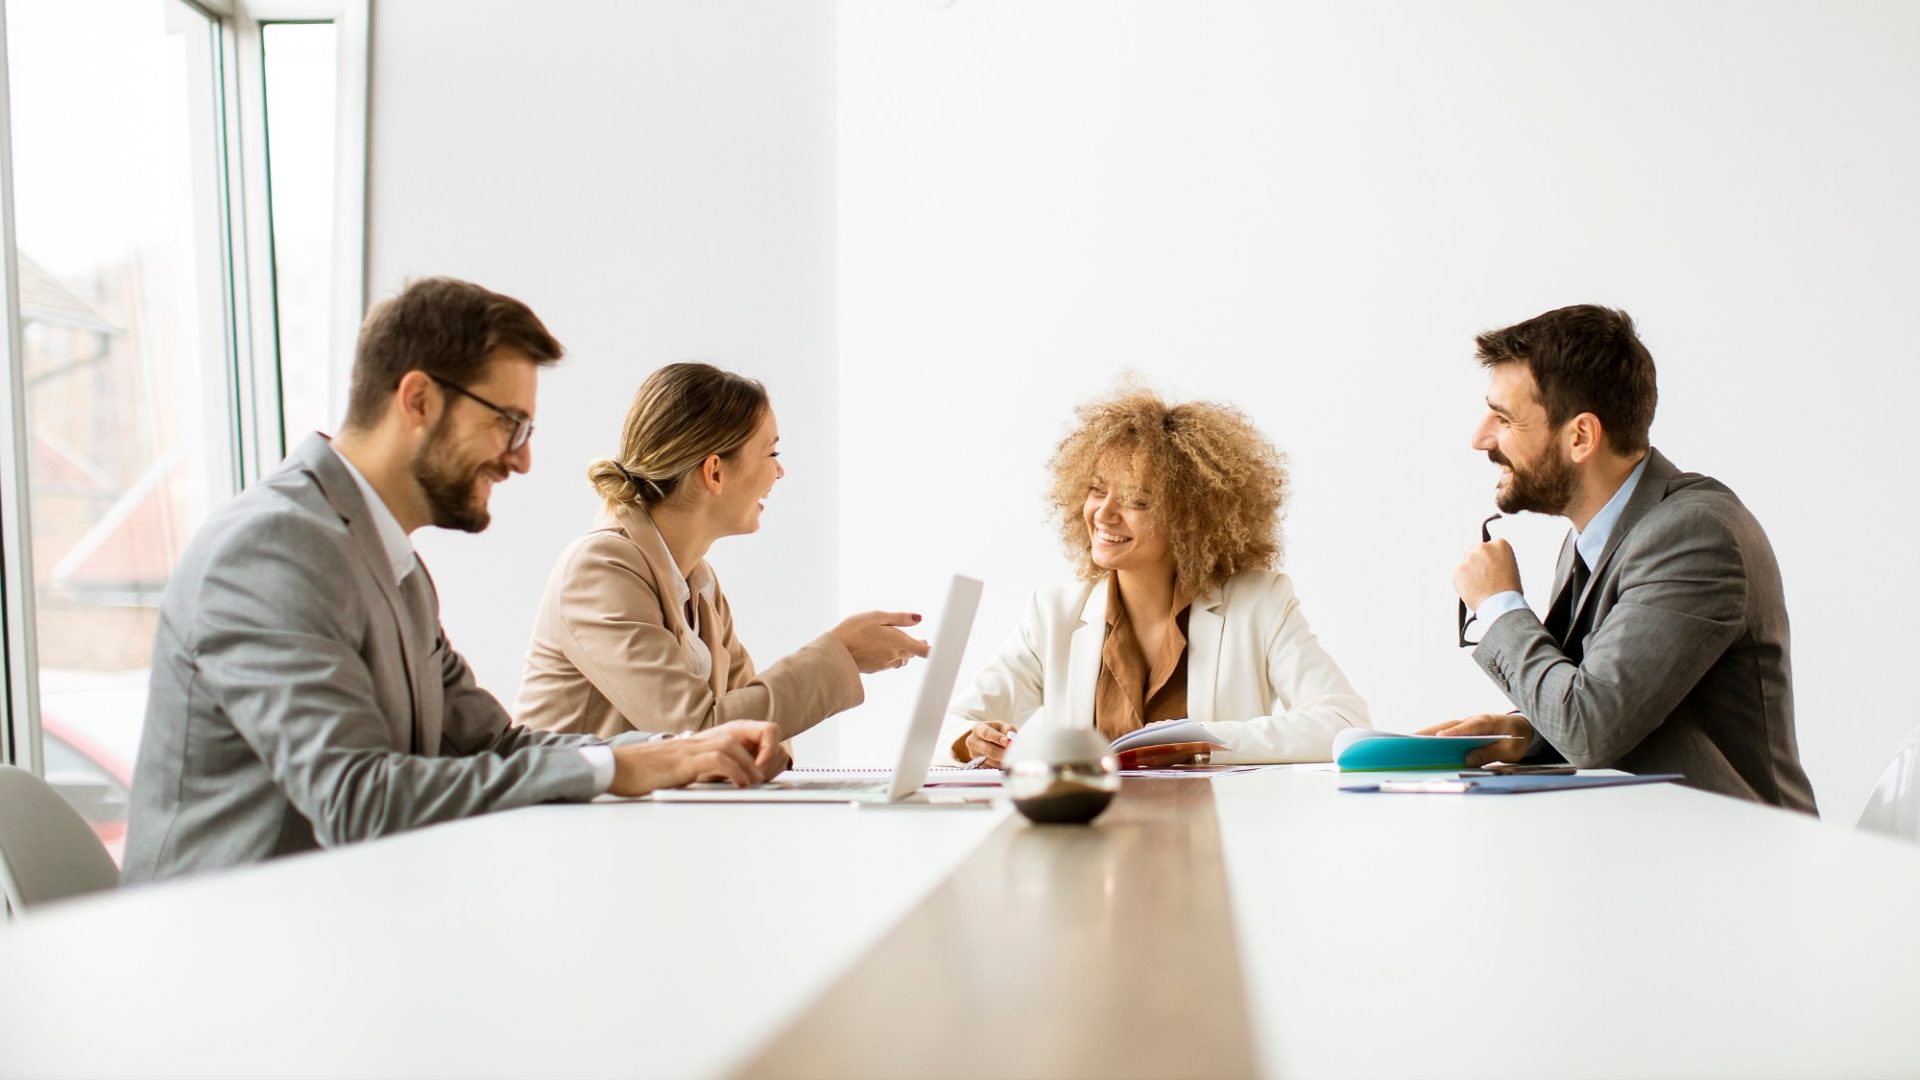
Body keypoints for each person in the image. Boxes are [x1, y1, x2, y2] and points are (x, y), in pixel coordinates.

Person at [121, 279, 783, 885]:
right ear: (418, 400)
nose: (522, 458)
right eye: (508, 423)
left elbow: (493, 742)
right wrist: (621, 767)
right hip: (224, 960)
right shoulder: (271, 549)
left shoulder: (388, 565)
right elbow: (358, 799)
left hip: (331, 927)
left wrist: (679, 751)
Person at [1425, 304, 1817, 812]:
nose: (1479, 438)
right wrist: (1524, 731)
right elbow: (1614, 701)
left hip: (1735, 863)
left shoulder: (1695, 536)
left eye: (1503, 418)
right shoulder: (1596, 537)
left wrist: (1498, 604)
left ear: (1581, 436)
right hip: (1640, 848)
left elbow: (1590, 730)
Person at [942, 385, 1368, 767]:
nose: (1104, 514)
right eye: (1096, 490)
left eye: (1137, 501)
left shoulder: (1261, 603)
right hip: (1088, 842)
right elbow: (953, 724)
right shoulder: (1053, 615)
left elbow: (1342, 721)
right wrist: (973, 741)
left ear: (1190, 520)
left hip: (1214, 842)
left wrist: (1203, 742)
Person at [516, 362, 927, 744]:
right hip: (575, 818)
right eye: (772, 454)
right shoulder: (601, 568)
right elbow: (697, 732)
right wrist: (844, 654)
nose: (779, 472)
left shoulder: (700, 582)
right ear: (714, 472)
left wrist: (767, 752)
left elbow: (747, 722)